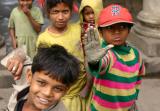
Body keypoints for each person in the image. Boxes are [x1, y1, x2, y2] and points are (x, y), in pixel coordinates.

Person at [82, 4, 145, 111]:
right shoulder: (107, 54)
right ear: (101, 32)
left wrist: (133, 98)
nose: (117, 32)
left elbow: (138, 77)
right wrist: (94, 61)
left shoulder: (136, 54)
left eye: (122, 27)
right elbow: (101, 63)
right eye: (110, 27)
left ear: (129, 30)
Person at [13, 44, 80, 111]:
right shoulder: (22, 75)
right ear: (29, 76)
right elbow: (21, 52)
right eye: (42, 83)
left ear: (66, 91)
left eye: (58, 88)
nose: (47, 93)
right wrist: (18, 57)